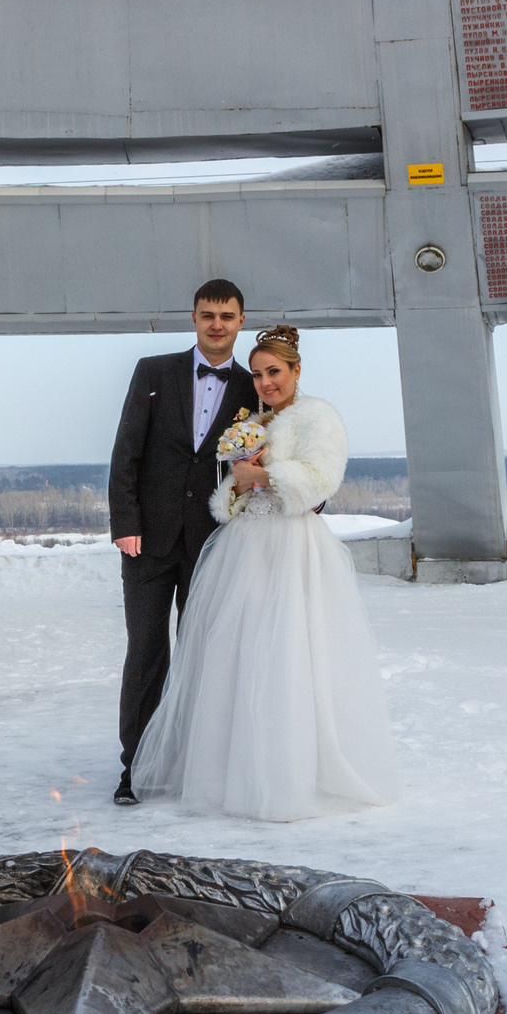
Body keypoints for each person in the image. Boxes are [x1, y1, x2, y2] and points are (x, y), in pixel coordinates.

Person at [129, 325, 402, 821]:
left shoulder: (318, 416)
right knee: (238, 653)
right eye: (256, 374)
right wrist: (236, 489)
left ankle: (287, 772)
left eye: (274, 372)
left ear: (296, 371)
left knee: (287, 652)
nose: (265, 382)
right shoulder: (254, 421)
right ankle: (233, 771)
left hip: (291, 544)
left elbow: (321, 479)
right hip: (246, 547)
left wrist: (266, 475)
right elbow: (230, 492)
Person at [107, 280, 256, 806]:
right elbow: (126, 451)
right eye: (208, 314)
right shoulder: (153, 372)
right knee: (146, 652)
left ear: (241, 321)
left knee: (202, 656)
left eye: (227, 316)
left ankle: (194, 763)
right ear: (193, 317)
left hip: (213, 544)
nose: (217, 324)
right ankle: (135, 767)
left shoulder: (251, 388)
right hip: (146, 542)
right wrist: (125, 523)